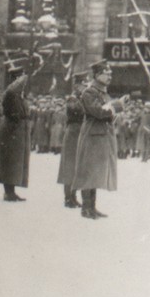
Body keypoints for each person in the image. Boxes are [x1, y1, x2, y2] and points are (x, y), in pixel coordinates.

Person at [72, 59, 127, 219]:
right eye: (106, 73)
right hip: (92, 135)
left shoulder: (102, 92)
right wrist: (117, 105)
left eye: (110, 73)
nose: (110, 76)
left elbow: (108, 114)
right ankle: (86, 208)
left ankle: (92, 207)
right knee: (88, 171)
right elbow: (99, 111)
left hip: (100, 135)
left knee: (95, 172)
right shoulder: (89, 92)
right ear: (97, 75)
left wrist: (117, 107)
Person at [0, 59, 31, 201]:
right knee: (10, 162)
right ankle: (8, 192)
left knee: (16, 162)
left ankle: (11, 191)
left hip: (18, 130)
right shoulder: (11, 92)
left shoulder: (19, 95)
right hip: (11, 130)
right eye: (20, 78)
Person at [57, 72, 89, 208]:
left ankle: (73, 196)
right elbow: (79, 111)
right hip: (73, 133)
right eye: (83, 84)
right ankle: (68, 198)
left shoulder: (81, 97)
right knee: (69, 166)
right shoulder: (73, 99)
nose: (85, 86)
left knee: (77, 166)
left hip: (80, 133)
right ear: (76, 85)